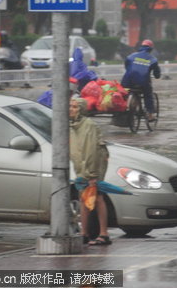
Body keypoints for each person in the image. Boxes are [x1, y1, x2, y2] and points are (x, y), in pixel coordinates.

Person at [69, 97, 110, 245]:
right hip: (81, 169)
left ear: (81, 110)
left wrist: (92, 174)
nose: (71, 109)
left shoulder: (89, 126)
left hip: (93, 168)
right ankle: (84, 233)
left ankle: (104, 234)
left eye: (74, 107)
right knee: (83, 199)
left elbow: (92, 150)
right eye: (70, 106)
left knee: (98, 198)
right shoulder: (73, 126)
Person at [121, 39, 161, 122]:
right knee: (148, 94)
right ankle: (150, 114)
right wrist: (156, 75)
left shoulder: (131, 56)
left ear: (141, 47)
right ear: (151, 49)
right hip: (142, 83)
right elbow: (157, 75)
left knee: (123, 93)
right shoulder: (153, 59)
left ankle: (122, 108)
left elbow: (126, 66)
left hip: (127, 81)